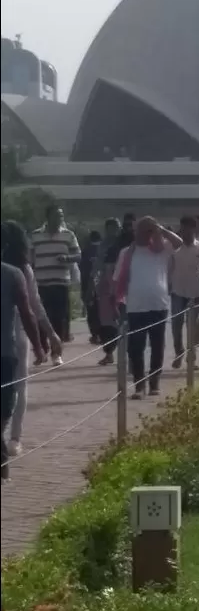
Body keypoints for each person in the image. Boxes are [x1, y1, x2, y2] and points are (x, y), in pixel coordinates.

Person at [1, 221, 61, 456]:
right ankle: (14, 438)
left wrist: (49, 335)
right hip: (17, 333)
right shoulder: (20, 269)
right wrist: (49, 336)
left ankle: (11, 437)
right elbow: (35, 308)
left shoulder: (20, 271)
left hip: (16, 330)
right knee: (18, 387)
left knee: (15, 386)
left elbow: (33, 308)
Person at [115, 216, 182, 400]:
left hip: (158, 304)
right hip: (135, 306)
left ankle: (154, 383)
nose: (144, 234)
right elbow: (117, 281)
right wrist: (118, 305)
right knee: (135, 347)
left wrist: (161, 229)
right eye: (141, 230)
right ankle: (139, 385)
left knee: (157, 345)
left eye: (148, 230)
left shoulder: (161, 249)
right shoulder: (127, 252)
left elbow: (179, 242)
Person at [2, 229, 45, 481]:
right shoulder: (13, 274)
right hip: (5, 352)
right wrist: (40, 345)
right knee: (6, 404)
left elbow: (30, 311)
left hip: (7, 350)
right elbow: (28, 312)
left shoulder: (15, 273)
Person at [30, 204, 81, 364]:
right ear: (48, 217)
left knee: (59, 318)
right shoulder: (35, 235)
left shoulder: (69, 235)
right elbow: (29, 258)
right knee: (39, 317)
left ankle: (56, 353)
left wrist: (67, 259)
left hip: (60, 283)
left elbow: (78, 255)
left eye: (61, 216)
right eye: (56, 215)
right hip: (40, 283)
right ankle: (42, 349)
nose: (60, 219)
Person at [170, 216, 199, 369]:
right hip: (178, 291)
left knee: (194, 325)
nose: (185, 232)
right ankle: (179, 353)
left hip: (195, 291)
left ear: (194, 229)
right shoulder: (175, 247)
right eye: (182, 228)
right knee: (176, 325)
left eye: (188, 229)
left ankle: (192, 357)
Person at [94, 218, 122, 367]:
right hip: (105, 286)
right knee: (106, 323)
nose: (113, 231)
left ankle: (126, 354)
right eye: (111, 228)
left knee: (122, 321)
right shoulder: (102, 246)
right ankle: (109, 353)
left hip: (121, 286)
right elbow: (98, 266)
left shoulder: (123, 244)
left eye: (116, 228)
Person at [80, 230, 102, 344]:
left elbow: (82, 269)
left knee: (91, 311)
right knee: (101, 310)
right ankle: (102, 334)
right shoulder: (103, 249)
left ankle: (94, 335)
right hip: (101, 285)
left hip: (87, 284)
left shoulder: (85, 251)